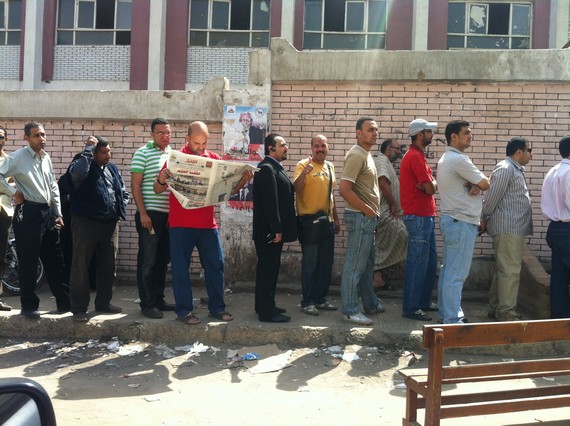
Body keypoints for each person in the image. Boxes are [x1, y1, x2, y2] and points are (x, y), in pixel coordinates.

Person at [154, 121, 251, 325]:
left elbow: (226, 192)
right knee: (181, 268)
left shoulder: (213, 159)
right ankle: (184, 311)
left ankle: (217, 308)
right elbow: (157, 189)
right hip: (180, 224)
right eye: (197, 143)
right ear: (187, 139)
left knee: (216, 265)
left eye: (205, 143)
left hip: (207, 225)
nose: (201, 147)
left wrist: (241, 181)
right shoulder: (176, 159)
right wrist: (162, 178)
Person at [0, 122, 67, 319]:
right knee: (28, 261)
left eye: (43, 135)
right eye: (36, 135)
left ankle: (65, 303)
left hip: (47, 214)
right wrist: (14, 192)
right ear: (26, 138)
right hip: (28, 212)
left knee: (55, 259)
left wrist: (58, 212)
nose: (42, 139)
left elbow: (53, 187)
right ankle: (29, 306)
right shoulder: (18, 157)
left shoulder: (46, 158)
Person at [68, 136, 129, 322]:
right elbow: (76, 175)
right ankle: (79, 308)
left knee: (108, 266)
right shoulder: (82, 163)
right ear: (93, 153)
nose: (108, 155)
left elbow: (122, 190)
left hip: (110, 224)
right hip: (86, 223)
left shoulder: (112, 168)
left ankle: (103, 303)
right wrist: (87, 149)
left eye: (109, 151)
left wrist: (120, 207)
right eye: (103, 152)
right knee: (81, 266)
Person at [436, 120, 489, 324]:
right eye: (466, 133)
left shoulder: (448, 159)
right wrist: (477, 184)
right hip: (461, 221)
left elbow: (479, 184)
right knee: (456, 274)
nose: (470, 136)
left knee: (449, 271)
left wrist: (474, 184)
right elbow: (485, 182)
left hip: (454, 220)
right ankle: (452, 319)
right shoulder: (458, 160)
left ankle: (446, 315)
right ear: (453, 137)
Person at [481, 137, 533, 322]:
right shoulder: (506, 168)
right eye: (529, 150)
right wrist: (484, 217)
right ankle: (506, 313)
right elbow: (492, 196)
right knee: (510, 270)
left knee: (503, 269)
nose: (531, 154)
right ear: (519, 152)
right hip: (507, 227)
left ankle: (496, 308)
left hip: (512, 227)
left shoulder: (513, 169)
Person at [339, 117, 384, 326]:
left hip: (367, 218)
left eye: (376, 130)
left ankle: (370, 303)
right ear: (359, 133)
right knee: (355, 264)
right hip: (360, 217)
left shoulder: (366, 154)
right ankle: (349, 310)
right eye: (370, 130)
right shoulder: (356, 155)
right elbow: (344, 189)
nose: (375, 133)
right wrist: (366, 210)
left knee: (366, 265)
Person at [131, 118, 175, 319]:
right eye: (161, 133)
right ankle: (147, 304)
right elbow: (135, 185)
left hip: (169, 216)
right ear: (152, 134)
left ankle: (158, 299)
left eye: (168, 132)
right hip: (150, 215)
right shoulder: (142, 153)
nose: (165, 136)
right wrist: (143, 213)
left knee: (162, 260)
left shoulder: (172, 155)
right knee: (147, 261)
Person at [252, 133, 297, 323]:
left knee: (269, 269)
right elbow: (270, 203)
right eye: (282, 145)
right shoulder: (267, 169)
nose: (286, 148)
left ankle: (264, 305)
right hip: (269, 232)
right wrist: (276, 229)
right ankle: (266, 312)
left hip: (271, 231)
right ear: (271, 148)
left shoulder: (274, 168)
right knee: (267, 271)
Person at [293, 134, 340, 316]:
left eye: (323, 146)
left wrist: (335, 218)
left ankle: (321, 299)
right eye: (317, 146)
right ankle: (308, 302)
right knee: (310, 265)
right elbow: (296, 188)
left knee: (325, 264)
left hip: (326, 222)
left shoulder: (330, 167)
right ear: (311, 148)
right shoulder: (302, 165)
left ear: (327, 148)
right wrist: (305, 172)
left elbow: (331, 196)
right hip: (309, 224)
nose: (320, 149)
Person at [400, 118, 439, 321]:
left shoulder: (419, 156)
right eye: (429, 131)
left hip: (425, 215)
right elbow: (431, 188)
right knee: (418, 262)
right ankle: (411, 307)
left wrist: (430, 183)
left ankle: (423, 302)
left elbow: (430, 186)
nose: (432, 135)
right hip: (419, 216)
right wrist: (431, 184)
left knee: (430, 262)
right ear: (420, 134)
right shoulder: (414, 156)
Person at [372, 139, 407, 291]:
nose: (399, 152)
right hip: (384, 211)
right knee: (403, 233)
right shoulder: (381, 161)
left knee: (380, 245)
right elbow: (382, 183)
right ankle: (374, 274)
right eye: (397, 149)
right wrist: (393, 204)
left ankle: (377, 279)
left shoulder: (386, 163)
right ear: (388, 148)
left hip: (387, 211)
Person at [541, 135, 570, 319]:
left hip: (556, 229)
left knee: (559, 277)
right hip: (567, 230)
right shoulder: (568, 173)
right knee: (560, 276)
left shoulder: (553, 171)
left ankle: (559, 318)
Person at [0, 126, 13, 311]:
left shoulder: (9, 161)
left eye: (1, 137)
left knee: (0, 256)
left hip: (3, 212)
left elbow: (13, 181)